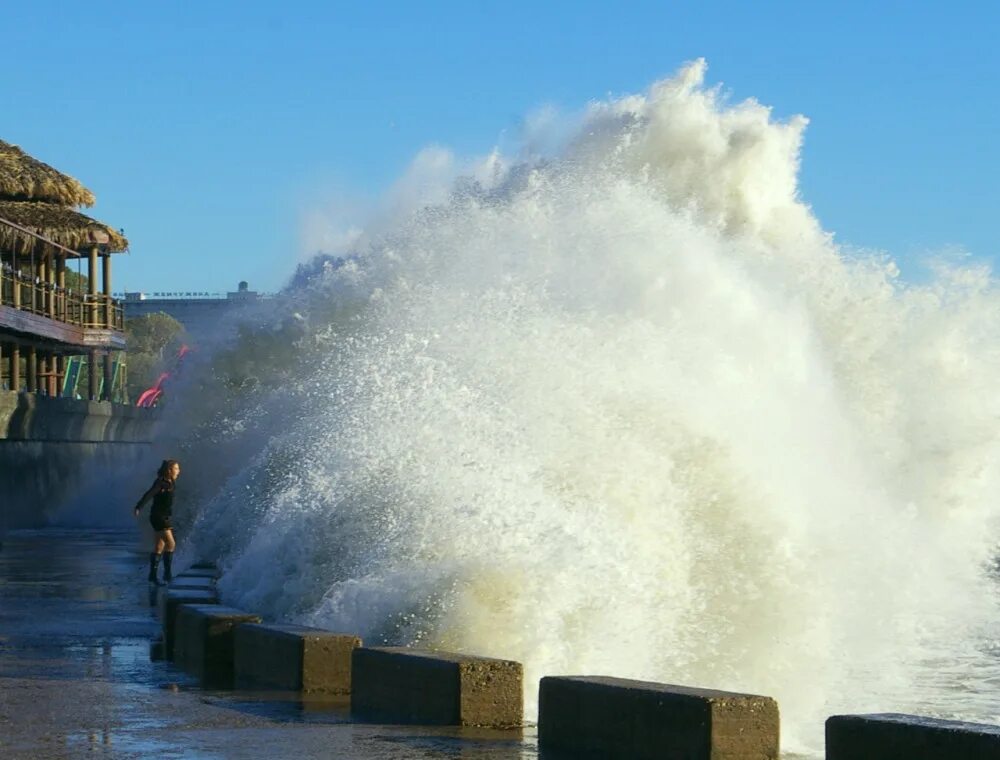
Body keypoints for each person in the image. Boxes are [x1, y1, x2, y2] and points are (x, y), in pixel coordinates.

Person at [133, 459, 181, 584]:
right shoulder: (161, 482)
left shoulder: (171, 482)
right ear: (169, 470)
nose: (179, 471)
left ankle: (153, 577)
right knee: (171, 544)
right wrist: (139, 506)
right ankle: (167, 575)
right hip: (158, 517)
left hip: (162, 516)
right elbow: (149, 494)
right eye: (176, 468)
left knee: (159, 546)